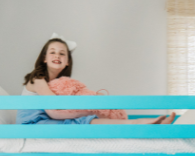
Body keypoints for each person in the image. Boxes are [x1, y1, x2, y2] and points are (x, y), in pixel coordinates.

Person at [19, 37, 174, 125]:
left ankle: (144, 123)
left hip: (47, 120)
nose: (57, 56)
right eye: (52, 52)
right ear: (44, 58)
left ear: (67, 62)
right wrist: (91, 106)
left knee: (83, 120)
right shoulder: (38, 79)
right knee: (81, 122)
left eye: (62, 53)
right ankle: (139, 123)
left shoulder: (59, 84)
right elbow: (54, 108)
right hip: (33, 124)